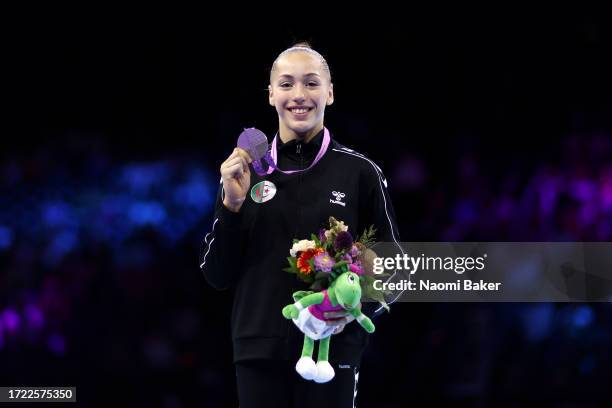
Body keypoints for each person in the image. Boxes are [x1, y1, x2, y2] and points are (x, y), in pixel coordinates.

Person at [200, 42, 401, 408]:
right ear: (271, 94)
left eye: (311, 83)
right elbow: (217, 274)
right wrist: (231, 205)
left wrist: (349, 311)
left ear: (330, 92)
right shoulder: (243, 172)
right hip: (259, 351)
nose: (299, 95)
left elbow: (395, 271)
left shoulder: (359, 172)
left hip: (333, 353)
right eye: (287, 84)